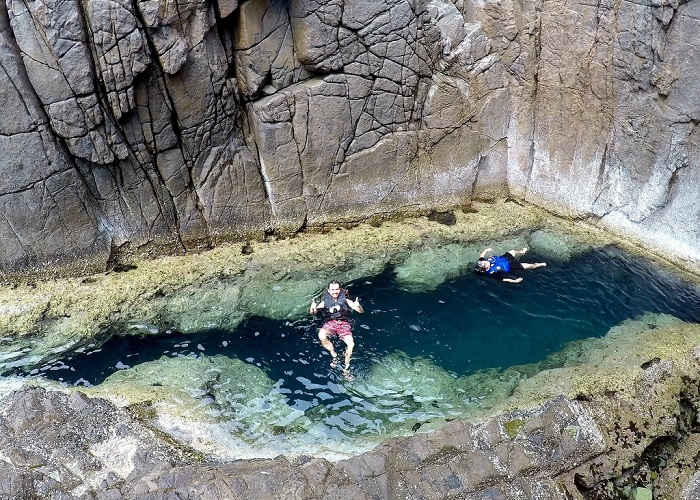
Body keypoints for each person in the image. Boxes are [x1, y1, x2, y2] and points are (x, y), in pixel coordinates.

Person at [309, 280, 364, 377]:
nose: (335, 292)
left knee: (351, 344)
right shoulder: (324, 302)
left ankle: (346, 368)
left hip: (344, 324)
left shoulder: (346, 301)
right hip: (330, 323)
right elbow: (313, 313)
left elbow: (360, 312)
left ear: (340, 289)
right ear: (329, 291)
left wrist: (358, 306)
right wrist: (312, 308)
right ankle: (334, 355)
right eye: (332, 290)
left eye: (337, 289)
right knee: (321, 335)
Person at [474, 247, 546, 283]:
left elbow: (481, 256)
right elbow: (503, 279)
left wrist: (486, 250)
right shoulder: (493, 273)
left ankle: (522, 252)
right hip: (512, 265)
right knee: (531, 266)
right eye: (483, 264)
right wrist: (515, 281)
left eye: (482, 262)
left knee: (513, 251)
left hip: (505, 257)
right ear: (486, 268)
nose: (483, 261)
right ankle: (540, 265)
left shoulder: (482, 262)